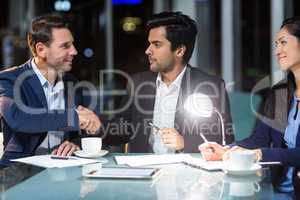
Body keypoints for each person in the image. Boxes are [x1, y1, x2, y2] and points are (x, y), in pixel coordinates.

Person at [101, 11, 234, 153]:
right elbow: (122, 131)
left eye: (156, 44)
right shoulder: (138, 83)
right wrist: (98, 126)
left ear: (179, 50)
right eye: (149, 44)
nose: (148, 51)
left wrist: (185, 143)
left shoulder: (210, 87)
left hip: (187, 172)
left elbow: (225, 140)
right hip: (143, 170)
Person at [199, 16, 300, 200]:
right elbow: (259, 139)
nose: (278, 51)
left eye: (283, 42)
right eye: (276, 44)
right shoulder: (281, 93)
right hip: (274, 191)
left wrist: (260, 154)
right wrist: (227, 150)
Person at [0, 14, 100, 166]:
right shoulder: (9, 80)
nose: (74, 51)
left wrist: (75, 143)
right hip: (19, 173)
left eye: (72, 44)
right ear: (41, 50)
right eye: (65, 46)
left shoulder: (71, 83)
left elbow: (79, 132)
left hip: (64, 172)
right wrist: (72, 118)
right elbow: (19, 118)